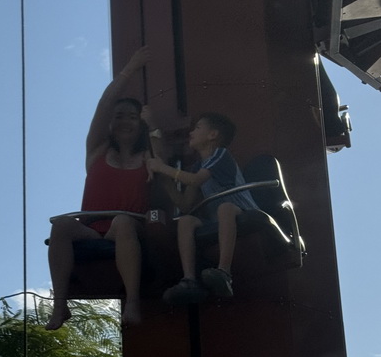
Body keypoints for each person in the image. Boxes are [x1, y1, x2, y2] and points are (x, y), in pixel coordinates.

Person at [45, 45, 152, 330]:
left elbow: (161, 155)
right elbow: (105, 104)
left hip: (126, 226)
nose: (124, 121)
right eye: (119, 116)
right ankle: (60, 306)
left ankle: (132, 302)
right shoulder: (97, 150)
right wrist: (131, 68)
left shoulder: (148, 157)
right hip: (92, 227)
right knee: (61, 225)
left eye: (132, 116)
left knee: (123, 222)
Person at [145, 112, 259, 304]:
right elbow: (185, 204)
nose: (191, 133)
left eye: (197, 128)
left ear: (212, 135)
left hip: (241, 210)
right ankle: (189, 279)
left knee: (225, 207)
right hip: (218, 219)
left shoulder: (220, 154)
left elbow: (196, 180)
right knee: (186, 221)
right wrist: (163, 177)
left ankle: (224, 271)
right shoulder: (197, 166)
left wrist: (163, 168)